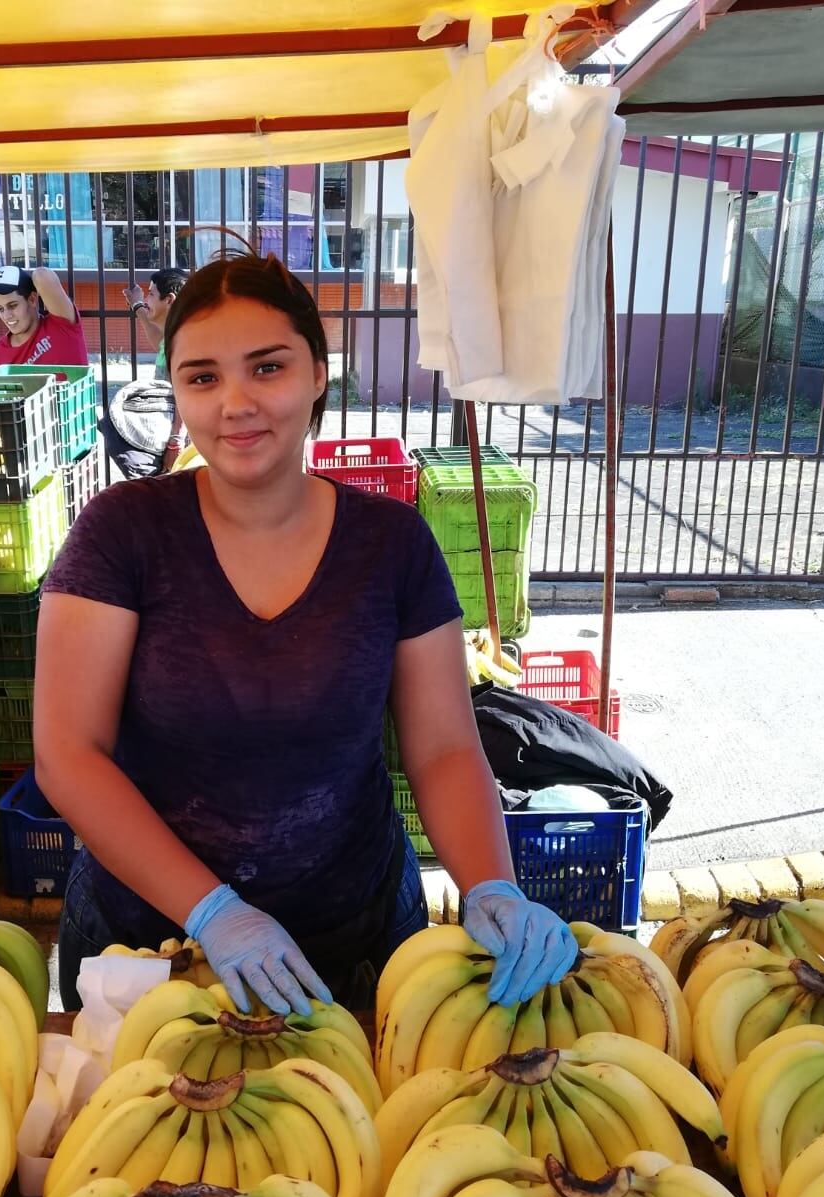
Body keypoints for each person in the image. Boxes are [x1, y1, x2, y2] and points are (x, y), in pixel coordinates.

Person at [33, 248, 577, 1017]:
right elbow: (67, 754)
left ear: (319, 374)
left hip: (352, 935)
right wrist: (212, 910)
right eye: (202, 377)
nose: (235, 403)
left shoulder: (391, 544)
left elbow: (445, 747)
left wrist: (491, 882)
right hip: (150, 946)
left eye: (267, 368)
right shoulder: (123, 533)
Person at [0, 265, 89, 372]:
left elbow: (42, 276)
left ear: (32, 299)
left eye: (13, 306)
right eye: (0, 308)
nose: (6, 316)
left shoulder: (61, 325)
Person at [124, 267, 187, 380]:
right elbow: (160, 343)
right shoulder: (174, 338)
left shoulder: (184, 345)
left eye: (151, 294)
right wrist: (137, 305)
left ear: (169, 300)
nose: (146, 300)